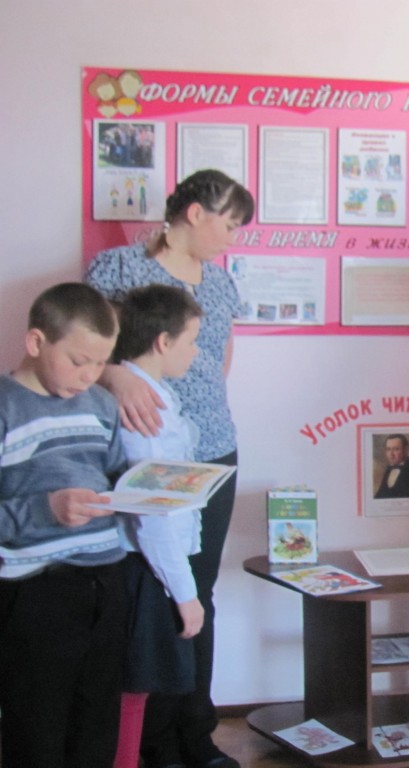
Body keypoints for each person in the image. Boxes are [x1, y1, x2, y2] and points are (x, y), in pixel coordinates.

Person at [86, 168, 254, 768]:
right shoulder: (118, 269)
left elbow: (219, 359)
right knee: (154, 594)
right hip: (145, 446)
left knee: (198, 593)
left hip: (211, 450)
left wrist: (198, 416)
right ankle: (149, 741)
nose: (233, 238)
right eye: (230, 224)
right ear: (195, 213)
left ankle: (195, 732)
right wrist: (116, 377)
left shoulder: (221, 282)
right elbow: (86, 348)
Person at [0, 282, 127, 766]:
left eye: (101, 363)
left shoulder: (101, 405)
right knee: (37, 729)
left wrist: (151, 492)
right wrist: (46, 509)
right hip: (34, 590)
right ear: (36, 342)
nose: (90, 375)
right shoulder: (6, 406)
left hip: (107, 580)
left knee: (97, 722)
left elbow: (117, 478)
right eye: (78, 361)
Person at [110, 285, 206, 768]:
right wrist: (186, 593)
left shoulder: (151, 392)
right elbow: (154, 512)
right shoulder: (145, 407)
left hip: (149, 563)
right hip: (144, 567)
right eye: (191, 340)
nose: (196, 352)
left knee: (138, 687)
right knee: (133, 686)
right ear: (163, 342)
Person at [374, 433, 409, 498]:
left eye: (396, 449)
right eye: (388, 449)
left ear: (406, 450)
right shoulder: (388, 470)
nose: (391, 454)